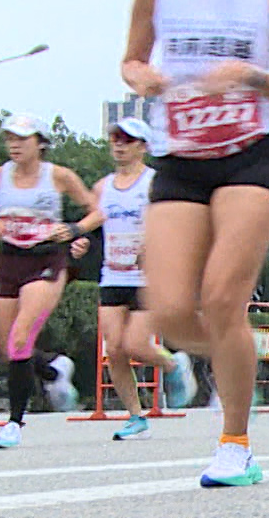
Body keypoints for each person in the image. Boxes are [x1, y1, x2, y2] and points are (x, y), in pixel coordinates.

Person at [124, 0, 269, 486]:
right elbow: (131, 57)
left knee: (222, 298)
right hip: (180, 155)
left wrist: (252, 76)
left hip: (252, 153)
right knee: (172, 313)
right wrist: (139, 77)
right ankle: (233, 355)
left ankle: (235, 442)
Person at [0, 114, 100, 449]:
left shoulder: (58, 176)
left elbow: (97, 211)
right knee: (8, 348)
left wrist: (74, 230)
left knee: (21, 336)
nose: (14, 145)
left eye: (22, 139)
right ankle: (54, 367)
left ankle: (13, 423)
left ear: (39, 142)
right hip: (10, 258)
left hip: (47, 259)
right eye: (9, 139)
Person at [71, 116, 196, 440]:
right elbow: (95, 224)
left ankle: (173, 365)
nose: (119, 145)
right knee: (114, 349)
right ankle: (136, 418)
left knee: (136, 344)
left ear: (142, 147)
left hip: (148, 277)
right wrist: (82, 242)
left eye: (127, 140)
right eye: (115, 139)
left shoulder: (155, 183)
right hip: (112, 276)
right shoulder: (102, 187)